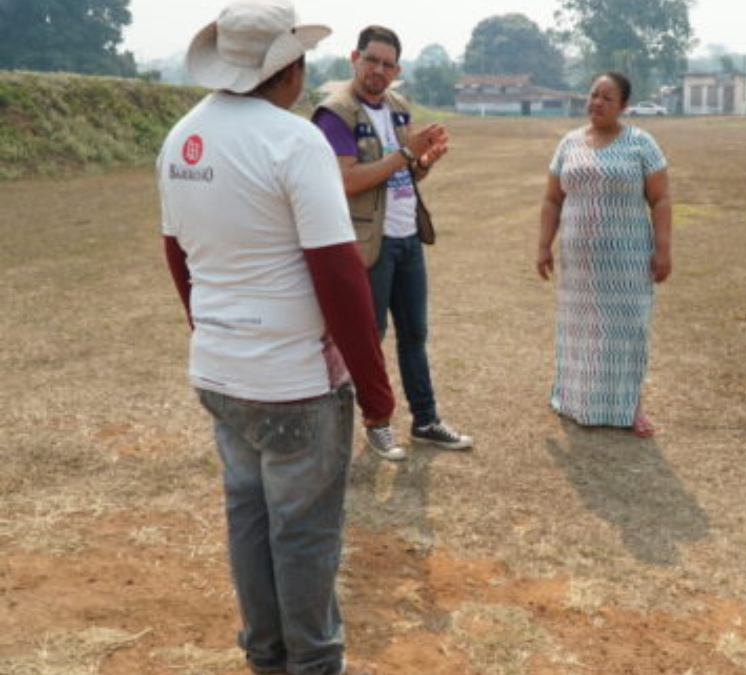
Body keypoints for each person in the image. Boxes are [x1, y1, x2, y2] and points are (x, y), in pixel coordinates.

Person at [158, 2, 388, 673]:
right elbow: (340, 276)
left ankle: (265, 656)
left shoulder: (180, 139)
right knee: (305, 533)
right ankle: (314, 662)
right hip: (295, 383)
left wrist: (214, 337)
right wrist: (376, 391)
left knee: (250, 518)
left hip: (221, 373)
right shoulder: (293, 142)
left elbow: (179, 258)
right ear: (288, 70)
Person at [313, 25, 472, 457]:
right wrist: (404, 155)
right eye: (371, 60)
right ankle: (375, 422)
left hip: (406, 237)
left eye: (387, 64)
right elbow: (345, 181)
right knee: (369, 336)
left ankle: (425, 419)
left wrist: (423, 162)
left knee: (414, 333)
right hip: (368, 242)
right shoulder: (336, 113)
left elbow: (401, 173)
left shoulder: (398, 108)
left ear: (396, 70)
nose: (378, 71)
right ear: (354, 58)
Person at [537, 71, 673, 437]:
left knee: (626, 333)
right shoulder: (569, 144)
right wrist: (542, 246)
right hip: (578, 264)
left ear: (624, 106)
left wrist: (664, 250)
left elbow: (660, 199)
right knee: (579, 332)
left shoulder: (641, 144)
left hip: (627, 262)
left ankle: (630, 407)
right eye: (593, 95)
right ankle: (575, 400)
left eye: (607, 98)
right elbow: (552, 198)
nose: (596, 102)